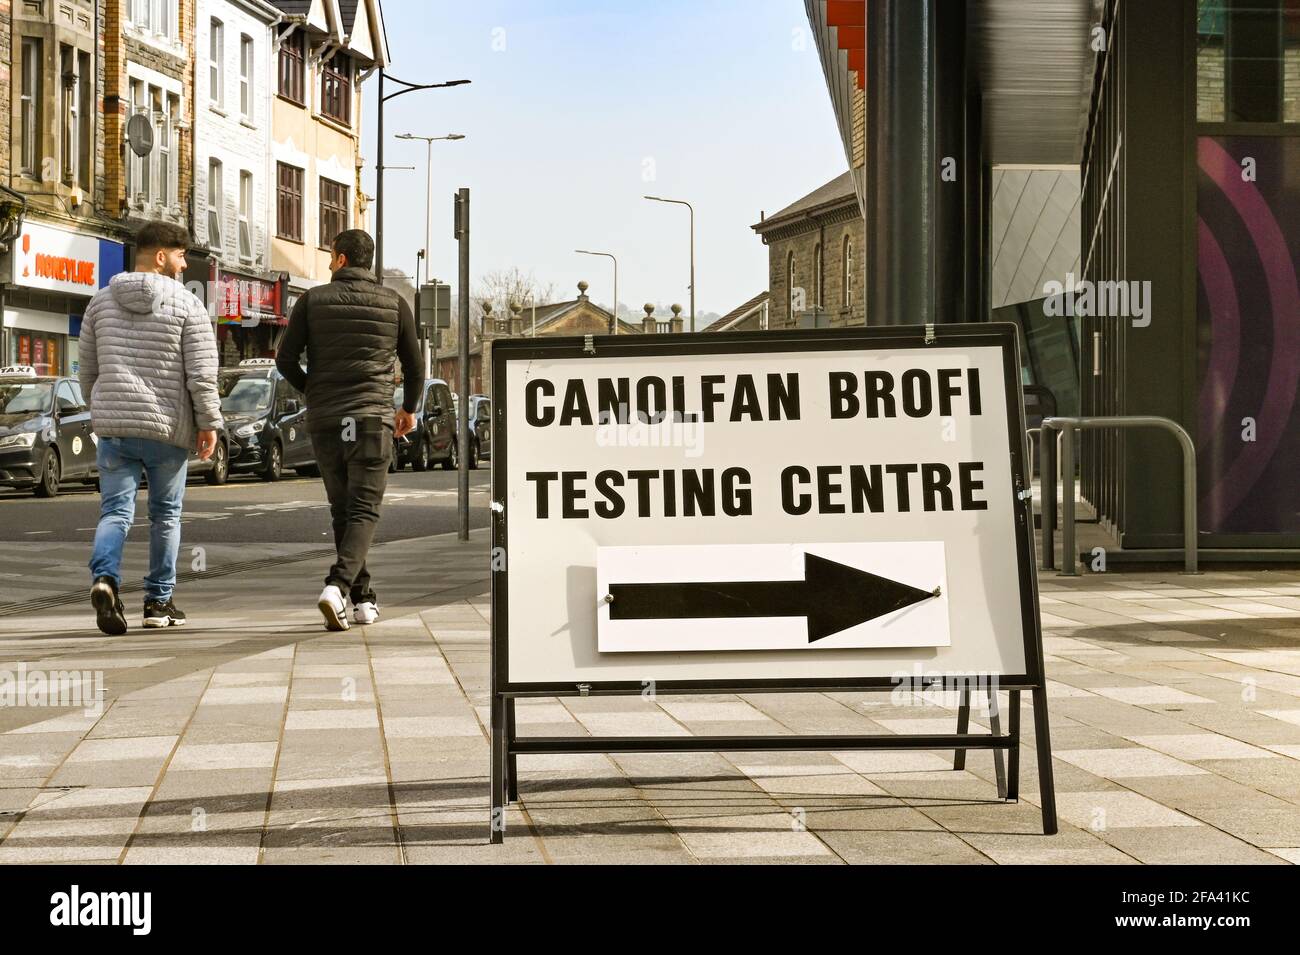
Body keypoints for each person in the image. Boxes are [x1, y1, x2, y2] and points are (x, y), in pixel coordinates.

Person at [276, 229, 423, 630]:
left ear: (340, 259)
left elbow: (285, 359)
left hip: (328, 422)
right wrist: (408, 408)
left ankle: (363, 599)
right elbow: (415, 365)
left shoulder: (311, 301)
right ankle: (338, 586)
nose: (328, 263)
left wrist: (314, 390)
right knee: (363, 509)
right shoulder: (394, 303)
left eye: (330, 257)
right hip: (372, 420)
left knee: (343, 509)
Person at [79, 221, 222, 635]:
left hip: (115, 430)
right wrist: (208, 421)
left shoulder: (100, 303)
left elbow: (89, 371)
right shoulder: (188, 305)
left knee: (115, 513)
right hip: (166, 431)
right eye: (180, 256)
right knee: (165, 516)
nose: (182, 266)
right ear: (160, 256)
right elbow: (200, 374)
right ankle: (159, 602)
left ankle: (105, 579)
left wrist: (103, 409)